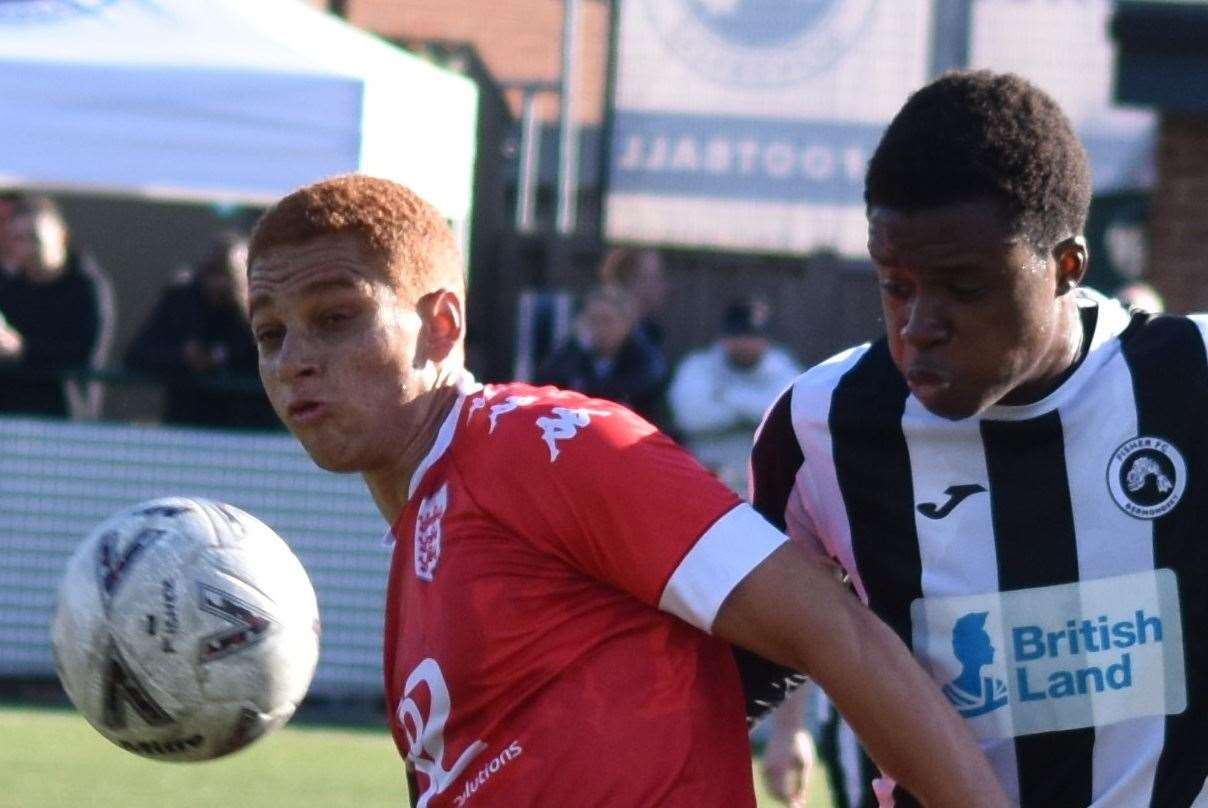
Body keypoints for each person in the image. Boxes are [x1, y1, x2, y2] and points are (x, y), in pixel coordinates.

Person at [245, 174, 1006, 807]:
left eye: (336, 318)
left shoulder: (548, 446)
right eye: (271, 332)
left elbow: (834, 632)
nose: (294, 361)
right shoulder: (424, 530)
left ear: (441, 325)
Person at [754, 69, 1208, 808]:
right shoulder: (822, 427)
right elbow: (756, 651)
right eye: (895, 284)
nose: (918, 325)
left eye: (964, 289)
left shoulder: (1192, 382)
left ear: (1066, 267)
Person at [125, 232, 277, 429]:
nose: (217, 283)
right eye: (210, 273)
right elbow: (136, 355)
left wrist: (225, 357)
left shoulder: (264, 313)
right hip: (186, 427)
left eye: (226, 275)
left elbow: (276, 368)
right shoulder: (182, 304)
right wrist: (183, 358)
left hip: (246, 435)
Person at [668, 297, 802, 493]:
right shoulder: (698, 367)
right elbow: (691, 418)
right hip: (707, 480)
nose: (745, 343)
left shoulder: (785, 369)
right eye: (738, 335)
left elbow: (790, 420)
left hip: (766, 486)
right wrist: (756, 416)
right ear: (724, 338)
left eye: (753, 336)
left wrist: (727, 397)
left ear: (766, 341)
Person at [0, 194, 114, 417]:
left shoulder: (86, 288)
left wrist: (21, 350)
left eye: (34, 238)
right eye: (18, 239)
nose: (27, 248)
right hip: (9, 420)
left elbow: (82, 353)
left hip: (63, 421)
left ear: (61, 236)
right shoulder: (9, 290)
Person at [534, 283, 671, 427]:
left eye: (607, 320)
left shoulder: (645, 360)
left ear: (627, 323)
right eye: (593, 320)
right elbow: (546, 382)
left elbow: (619, 395)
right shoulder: (575, 352)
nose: (599, 328)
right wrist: (576, 345)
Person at [598, 246, 669, 347]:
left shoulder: (649, 332)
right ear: (631, 281)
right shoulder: (607, 336)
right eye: (656, 278)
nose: (664, 285)